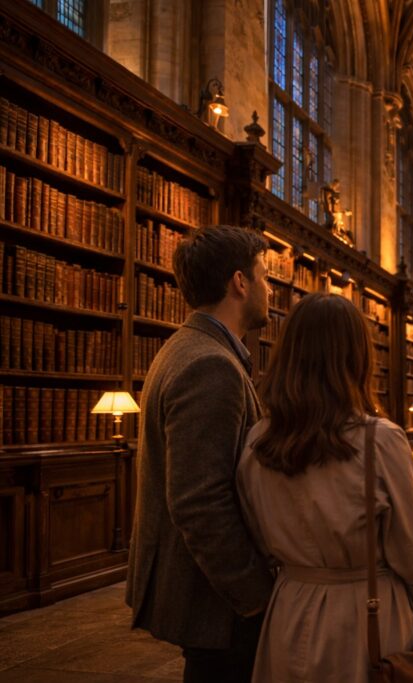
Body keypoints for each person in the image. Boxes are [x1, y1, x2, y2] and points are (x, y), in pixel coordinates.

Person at [237, 292, 413, 682]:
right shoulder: (380, 440)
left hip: (289, 609)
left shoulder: (256, 441)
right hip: (366, 612)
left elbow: (255, 534)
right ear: (358, 358)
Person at [126, 225, 275, 682]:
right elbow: (199, 501)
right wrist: (255, 595)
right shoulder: (210, 364)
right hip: (217, 601)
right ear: (240, 282)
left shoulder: (188, 346)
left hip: (208, 593)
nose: (270, 289)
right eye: (264, 276)